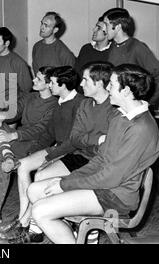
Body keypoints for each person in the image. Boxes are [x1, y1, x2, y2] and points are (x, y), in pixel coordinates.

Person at [28, 64, 159, 244]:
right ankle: (79, 238)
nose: (107, 88)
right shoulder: (121, 117)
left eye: (112, 85)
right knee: (34, 190)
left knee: (39, 211)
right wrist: (67, 181)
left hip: (115, 196)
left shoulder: (141, 128)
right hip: (103, 186)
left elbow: (111, 177)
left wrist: (65, 184)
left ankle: (80, 237)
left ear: (126, 91)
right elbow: (100, 160)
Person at [3, 62, 116, 243]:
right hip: (78, 154)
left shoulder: (112, 108)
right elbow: (74, 138)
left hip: (89, 159)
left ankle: (33, 224)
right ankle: (29, 223)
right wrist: (94, 140)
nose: (81, 84)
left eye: (86, 80)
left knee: (41, 176)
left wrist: (56, 153)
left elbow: (93, 144)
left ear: (99, 83)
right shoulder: (85, 104)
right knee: (32, 171)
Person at [0, 66, 84, 242]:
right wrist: (34, 154)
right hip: (57, 148)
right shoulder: (60, 101)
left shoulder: (79, 103)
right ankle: (22, 217)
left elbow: (73, 140)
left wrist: (49, 157)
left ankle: (28, 223)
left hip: (72, 152)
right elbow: (49, 133)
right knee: (23, 166)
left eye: (52, 82)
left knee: (41, 174)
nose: (50, 84)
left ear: (62, 85)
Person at [0, 66, 58, 230]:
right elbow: (15, 110)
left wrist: (13, 136)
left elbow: (40, 129)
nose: (33, 80)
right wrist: (1, 116)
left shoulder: (55, 104)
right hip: (18, 138)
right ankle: (7, 153)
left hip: (37, 143)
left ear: (49, 84)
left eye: (38, 79)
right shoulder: (30, 97)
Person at [103, 7, 159, 106]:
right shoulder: (112, 46)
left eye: (106, 24)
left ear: (118, 27)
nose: (104, 29)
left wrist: (147, 102)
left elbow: (157, 75)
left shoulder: (137, 47)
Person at [0, 27, 32, 116]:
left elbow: (26, 90)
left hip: (8, 107)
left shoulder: (18, 63)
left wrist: (11, 104)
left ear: (7, 43)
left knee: (6, 130)